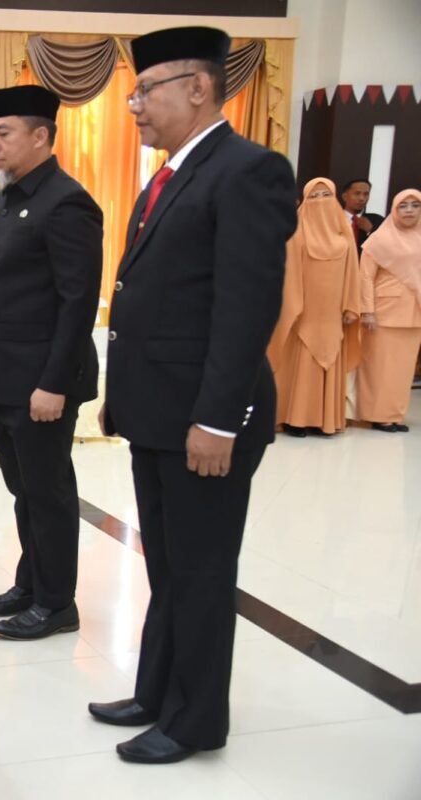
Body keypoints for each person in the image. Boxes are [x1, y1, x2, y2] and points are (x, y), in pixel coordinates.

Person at [91, 26, 298, 765]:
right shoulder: (172, 173)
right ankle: (158, 692)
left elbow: (246, 309)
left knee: (203, 571)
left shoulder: (248, 170)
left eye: (146, 90)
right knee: (168, 566)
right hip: (161, 415)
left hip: (206, 420)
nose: (134, 105)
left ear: (199, 87)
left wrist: (219, 419)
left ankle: (197, 719)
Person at [0, 86, 103, 641]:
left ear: (41, 135)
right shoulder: (1, 200)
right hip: (4, 373)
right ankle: (30, 582)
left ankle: (56, 602)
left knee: (48, 491)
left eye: (5, 134)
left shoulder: (67, 201)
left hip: (42, 380)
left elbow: (77, 302)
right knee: (23, 487)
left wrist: (53, 384)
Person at [268, 178, 361, 437]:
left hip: (333, 315)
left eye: (325, 195)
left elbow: (353, 272)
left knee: (329, 360)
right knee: (300, 363)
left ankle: (324, 420)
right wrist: (292, 307)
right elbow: (287, 274)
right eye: (314, 196)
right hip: (303, 311)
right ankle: (294, 418)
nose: (320, 202)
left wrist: (351, 305)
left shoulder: (343, 236)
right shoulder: (295, 233)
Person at [357, 189, 421, 432]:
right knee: (380, 368)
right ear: (394, 209)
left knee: (403, 370)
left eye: (415, 205)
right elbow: (365, 278)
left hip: (414, 314)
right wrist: (368, 311)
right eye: (403, 206)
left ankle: (396, 415)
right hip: (384, 313)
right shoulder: (379, 240)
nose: (409, 211)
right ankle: (378, 415)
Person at [340, 178, 384, 254]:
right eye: (357, 193)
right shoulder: (333, 219)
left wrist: (370, 231)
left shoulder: (378, 220)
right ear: (345, 196)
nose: (362, 198)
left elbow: (385, 249)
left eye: (366, 194)